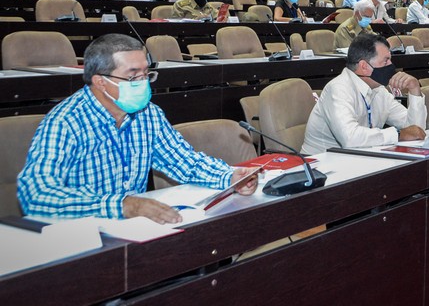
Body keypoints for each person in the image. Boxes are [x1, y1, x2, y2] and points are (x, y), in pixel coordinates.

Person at [16, 34, 259, 223]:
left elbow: (184, 161)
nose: (143, 84)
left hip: (135, 232)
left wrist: (229, 176)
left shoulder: (148, 114)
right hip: (80, 235)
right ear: (100, 81)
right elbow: (36, 195)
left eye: (147, 75)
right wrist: (123, 205)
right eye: (133, 78)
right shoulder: (65, 122)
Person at [301, 32, 427, 155]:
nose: (391, 65)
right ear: (364, 66)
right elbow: (350, 138)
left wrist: (415, 91)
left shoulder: (379, 90)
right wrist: (398, 135)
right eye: (386, 60)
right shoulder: (338, 89)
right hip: (321, 164)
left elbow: (416, 131)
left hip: (358, 159)